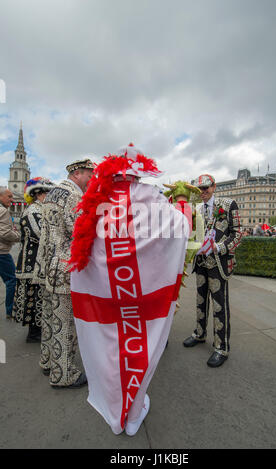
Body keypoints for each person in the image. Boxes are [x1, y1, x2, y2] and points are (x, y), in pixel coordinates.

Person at [69, 144, 189, 435]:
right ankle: (133, 414)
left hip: (107, 300)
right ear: (138, 175)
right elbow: (181, 228)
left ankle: (115, 410)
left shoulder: (96, 202)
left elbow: (83, 247)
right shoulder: (151, 198)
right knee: (140, 349)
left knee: (110, 351)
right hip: (143, 298)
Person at [35, 159, 94, 388]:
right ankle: (64, 374)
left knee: (50, 320)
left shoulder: (52, 194)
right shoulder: (73, 196)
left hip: (49, 267)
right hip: (65, 270)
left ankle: (48, 361)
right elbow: (80, 233)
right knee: (65, 324)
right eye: (90, 174)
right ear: (77, 173)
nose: (92, 180)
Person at [183, 174, 242, 367]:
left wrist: (220, 247)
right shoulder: (197, 209)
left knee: (219, 306)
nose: (203, 192)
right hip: (201, 263)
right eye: (200, 189)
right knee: (200, 302)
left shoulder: (228, 203)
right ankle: (200, 334)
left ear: (214, 187)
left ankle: (221, 347)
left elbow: (238, 233)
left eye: (206, 188)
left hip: (219, 263)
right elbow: (193, 234)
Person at [12, 177, 54, 342]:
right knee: (33, 298)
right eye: (47, 194)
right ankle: (34, 333)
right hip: (31, 263)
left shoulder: (40, 210)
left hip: (38, 261)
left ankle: (37, 331)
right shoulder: (33, 211)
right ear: (39, 194)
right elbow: (40, 234)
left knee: (38, 297)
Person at [0, 187, 21, 319]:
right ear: (1, 197)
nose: (12, 200)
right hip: (2, 252)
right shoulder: (3, 211)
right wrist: (19, 236)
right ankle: (10, 310)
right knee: (11, 280)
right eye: (9, 197)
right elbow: (5, 233)